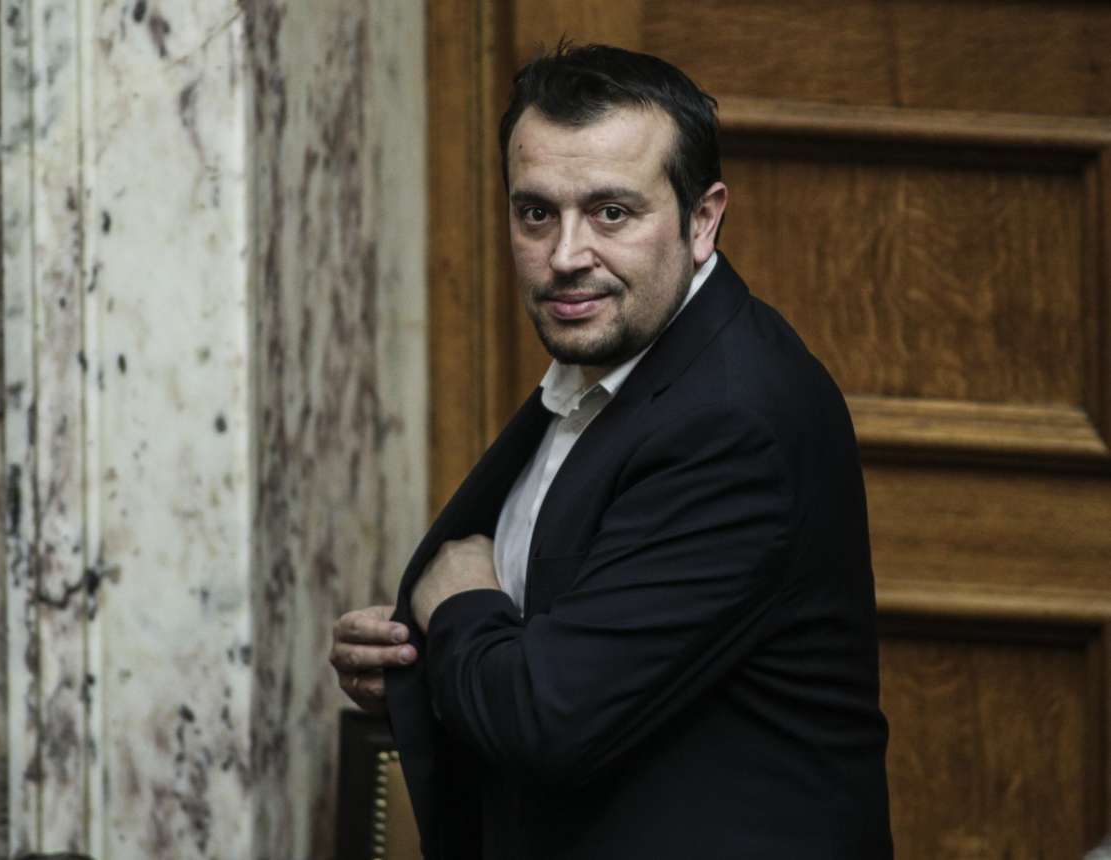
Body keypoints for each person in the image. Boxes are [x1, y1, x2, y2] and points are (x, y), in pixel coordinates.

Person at [331, 43, 892, 859]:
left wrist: (454, 603)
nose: (566, 256)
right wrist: (415, 663)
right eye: (536, 213)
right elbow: (574, 642)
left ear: (703, 220)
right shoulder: (615, 366)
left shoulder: (733, 420)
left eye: (612, 213)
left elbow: (547, 718)